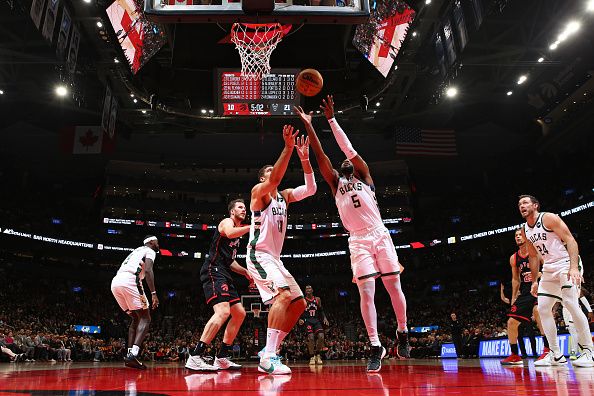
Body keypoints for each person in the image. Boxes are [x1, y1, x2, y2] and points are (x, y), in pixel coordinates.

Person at [295, 96, 408, 372]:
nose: (345, 161)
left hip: (379, 233)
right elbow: (321, 155)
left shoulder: (364, 176)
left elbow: (348, 147)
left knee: (393, 286)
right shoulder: (335, 183)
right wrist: (310, 126)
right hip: (357, 239)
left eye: (348, 160)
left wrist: (331, 119)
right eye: (342, 162)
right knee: (366, 290)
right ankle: (374, 345)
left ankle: (403, 332)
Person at [246, 125, 316, 375]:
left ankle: (269, 351)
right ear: (262, 179)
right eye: (269, 172)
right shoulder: (259, 193)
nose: (275, 174)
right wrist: (288, 148)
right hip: (258, 254)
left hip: (275, 259)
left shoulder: (284, 196)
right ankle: (269, 356)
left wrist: (305, 160)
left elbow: (311, 190)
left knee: (298, 304)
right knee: (283, 297)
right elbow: (275, 177)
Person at [519, 194, 594, 367]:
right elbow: (532, 255)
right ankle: (556, 354)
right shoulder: (524, 229)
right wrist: (534, 281)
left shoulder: (549, 218)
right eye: (519, 204)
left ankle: (589, 351)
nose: (521, 206)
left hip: (566, 263)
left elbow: (570, 240)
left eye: (525, 202)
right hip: (549, 269)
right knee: (543, 308)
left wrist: (574, 267)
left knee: (570, 303)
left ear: (535, 205)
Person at [186, 199, 253, 371]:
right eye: (240, 207)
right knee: (223, 312)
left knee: (239, 313)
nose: (244, 209)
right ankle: (195, 356)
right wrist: (253, 227)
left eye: (245, 208)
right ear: (232, 211)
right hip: (212, 270)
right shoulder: (227, 223)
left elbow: (230, 262)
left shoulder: (237, 235)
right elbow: (229, 233)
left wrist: (246, 272)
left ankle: (222, 357)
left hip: (224, 271)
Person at [111, 235, 160, 369]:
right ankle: (134, 354)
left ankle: (129, 356)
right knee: (146, 318)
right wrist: (154, 294)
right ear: (151, 242)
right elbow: (149, 270)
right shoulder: (149, 251)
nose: (158, 244)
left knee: (135, 318)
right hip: (130, 280)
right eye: (157, 241)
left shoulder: (136, 251)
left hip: (116, 282)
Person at [501, 229, 547, 365]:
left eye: (520, 234)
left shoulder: (537, 250)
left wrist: (541, 275)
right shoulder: (514, 258)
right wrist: (514, 297)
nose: (518, 237)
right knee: (511, 322)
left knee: (538, 311)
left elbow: (548, 266)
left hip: (541, 286)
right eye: (516, 235)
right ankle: (515, 355)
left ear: (527, 236)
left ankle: (548, 349)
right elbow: (515, 279)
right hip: (526, 290)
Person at [298, 285, 330, 365]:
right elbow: (299, 310)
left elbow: (321, 310)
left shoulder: (317, 299)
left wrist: (325, 318)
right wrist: (300, 319)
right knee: (311, 338)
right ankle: (312, 356)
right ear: (305, 291)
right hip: (307, 320)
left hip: (316, 320)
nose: (308, 289)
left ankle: (317, 354)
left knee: (321, 337)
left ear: (312, 290)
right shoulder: (303, 300)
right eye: (306, 289)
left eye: (309, 288)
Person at [562, 279, 593, 359]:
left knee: (574, 331)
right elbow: (557, 302)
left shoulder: (573, 285)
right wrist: (553, 311)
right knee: (572, 331)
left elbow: (582, 297)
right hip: (565, 310)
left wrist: (589, 310)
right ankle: (583, 350)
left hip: (574, 307)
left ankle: (574, 352)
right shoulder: (558, 286)